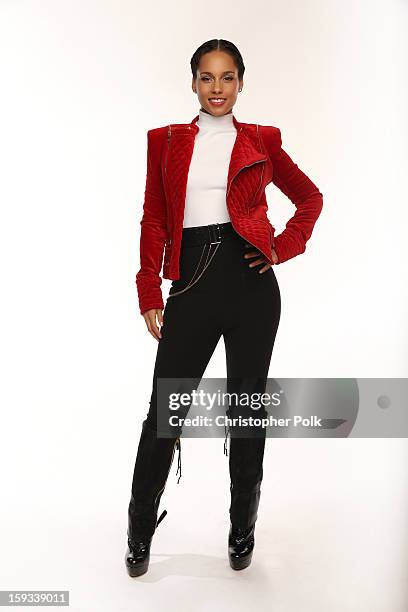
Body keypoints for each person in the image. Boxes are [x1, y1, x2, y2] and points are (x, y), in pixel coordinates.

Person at [125, 38, 323, 577]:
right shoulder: (165, 142)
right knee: (164, 415)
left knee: (247, 413)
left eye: (227, 77)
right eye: (207, 78)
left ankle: (243, 526)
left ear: (241, 82)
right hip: (191, 285)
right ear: (193, 83)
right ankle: (139, 528)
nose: (217, 88)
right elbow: (154, 219)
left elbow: (310, 198)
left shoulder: (261, 140)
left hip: (251, 287)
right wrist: (148, 289)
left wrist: (282, 246)